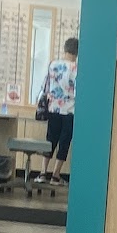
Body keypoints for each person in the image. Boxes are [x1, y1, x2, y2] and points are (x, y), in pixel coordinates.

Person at [38, 36, 79, 182]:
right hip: (69, 111)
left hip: (53, 108)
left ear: (65, 49)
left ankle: (43, 173)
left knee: (51, 139)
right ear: (77, 52)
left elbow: (45, 87)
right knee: (64, 142)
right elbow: (77, 91)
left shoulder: (53, 65)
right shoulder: (76, 69)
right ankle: (55, 175)